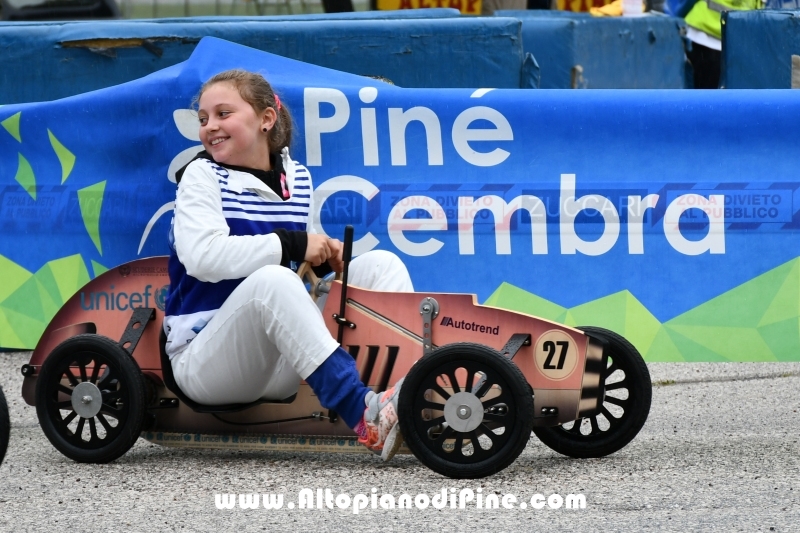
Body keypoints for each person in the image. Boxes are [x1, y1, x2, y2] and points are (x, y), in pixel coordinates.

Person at [163, 69, 414, 461]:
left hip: (282, 361)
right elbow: (202, 258)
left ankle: (406, 400)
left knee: (382, 265)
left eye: (223, 113)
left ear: (266, 119)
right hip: (205, 361)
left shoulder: (296, 176)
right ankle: (364, 415)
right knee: (274, 282)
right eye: (203, 118)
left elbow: (300, 268)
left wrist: (326, 258)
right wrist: (295, 244)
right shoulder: (200, 176)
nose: (210, 126)